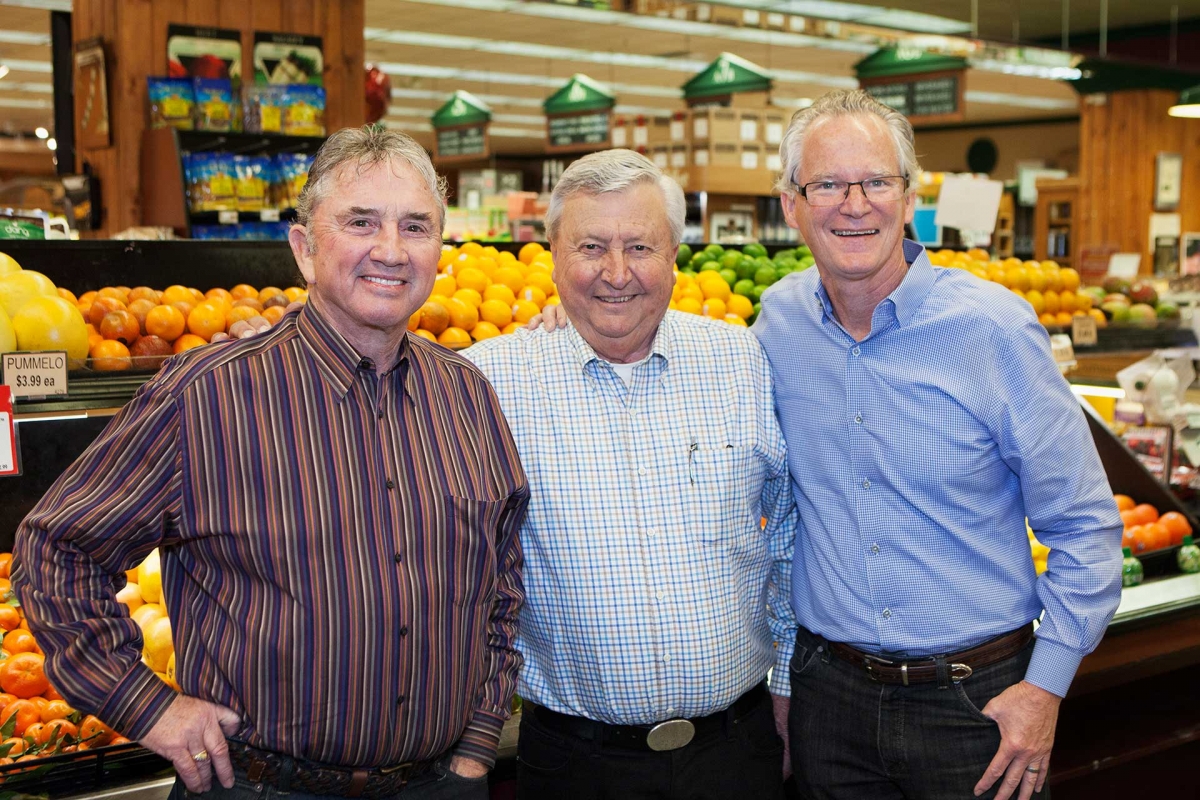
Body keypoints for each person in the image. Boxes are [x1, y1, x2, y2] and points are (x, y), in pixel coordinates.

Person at [13, 127, 529, 800]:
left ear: (440, 251)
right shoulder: (205, 397)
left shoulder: (467, 394)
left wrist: (479, 741)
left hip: (438, 785)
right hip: (264, 786)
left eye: (416, 227)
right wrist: (150, 708)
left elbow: (502, 576)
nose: (391, 250)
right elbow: (56, 551)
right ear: (305, 250)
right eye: (360, 223)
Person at [753, 89, 1123, 800]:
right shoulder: (777, 322)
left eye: (876, 182)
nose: (853, 204)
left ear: (909, 195)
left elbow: (1084, 527)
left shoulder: (994, 330)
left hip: (978, 707)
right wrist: (571, 316)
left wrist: (1043, 689)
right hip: (829, 702)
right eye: (826, 183)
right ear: (791, 204)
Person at [463, 149, 798, 800]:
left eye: (639, 246)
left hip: (737, 753)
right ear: (552, 253)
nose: (616, 274)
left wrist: (786, 683)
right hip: (574, 766)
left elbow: (787, 533)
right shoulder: (488, 381)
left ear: (674, 251)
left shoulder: (742, 361)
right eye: (591, 246)